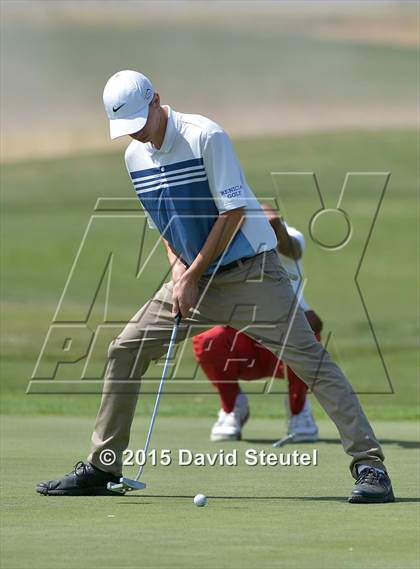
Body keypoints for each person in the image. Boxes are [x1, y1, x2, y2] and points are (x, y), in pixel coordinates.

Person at [36, 70, 394, 503]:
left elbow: (233, 213)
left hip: (251, 275)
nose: (137, 136)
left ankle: (370, 466)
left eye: (139, 123)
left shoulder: (205, 136)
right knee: (124, 348)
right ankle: (101, 467)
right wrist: (179, 274)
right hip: (191, 278)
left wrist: (191, 274)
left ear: (157, 102)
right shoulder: (135, 156)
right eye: (126, 129)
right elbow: (165, 225)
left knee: (311, 361)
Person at [192, 206, 321, 445]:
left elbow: (291, 249)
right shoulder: (224, 242)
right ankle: (232, 408)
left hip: (283, 346)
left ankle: (298, 409)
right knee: (208, 337)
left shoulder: (287, 235)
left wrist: (277, 228)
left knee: (309, 323)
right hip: (241, 346)